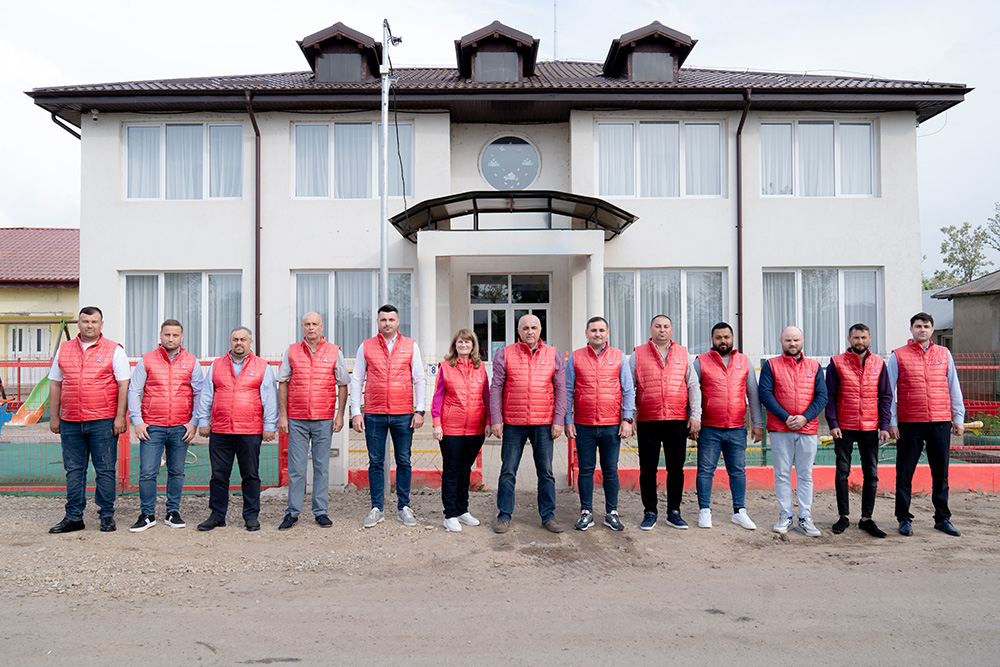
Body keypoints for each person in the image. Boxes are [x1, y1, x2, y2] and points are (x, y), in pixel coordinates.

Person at [47, 306, 130, 534]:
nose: (89, 325)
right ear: (79, 324)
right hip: (70, 421)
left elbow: (123, 385)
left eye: (94, 321)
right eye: (85, 321)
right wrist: (54, 417)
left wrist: (120, 417)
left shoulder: (114, 350)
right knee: (74, 470)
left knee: (105, 470)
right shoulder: (64, 349)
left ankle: (106, 515)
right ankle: (74, 517)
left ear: (101, 324)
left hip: (103, 421)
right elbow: (55, 383)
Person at [888, 312, 965, 537]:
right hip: (909, 422)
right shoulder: (898, 355)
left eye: (927, 326)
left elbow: (954, 386)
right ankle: (904, 518)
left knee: (940, 473)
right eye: (918, 326)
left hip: (940, 422)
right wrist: (892, 421)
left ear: (932, 330)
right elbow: (889, 391)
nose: (922, 329)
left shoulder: (944, 353)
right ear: (911, 329)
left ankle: (942, 518)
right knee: (904, 473)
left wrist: (958, 418)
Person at [350, 304, 427, 528]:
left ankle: (404, 507)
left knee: (404, 460)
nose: (387, 323)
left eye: (391, 320)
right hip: (374, 414)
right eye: (383, 320)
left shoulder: (410, 345)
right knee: (375, 462)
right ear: (378, 322)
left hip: (403, 414)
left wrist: (420, 410)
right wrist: (356, 412)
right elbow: (357, 379)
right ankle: (377, 508)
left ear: (398, 322)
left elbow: (419, 378)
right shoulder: (366, 346)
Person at [195, 327, 277, 532]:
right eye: (235, 339)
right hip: (220, 430)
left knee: (250, 475)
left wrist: (269, 426)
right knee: (218, 475)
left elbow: (269, 399)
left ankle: (251, 516)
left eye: (243, 339)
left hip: (249, 431)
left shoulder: (262, 367)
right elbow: (206, 395)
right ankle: (217, 515)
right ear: (230, 342)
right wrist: (203, 421)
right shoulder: (216, 365)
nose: (239, 343)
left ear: (250, 342)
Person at [490, 314, 566, 534]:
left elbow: (561, 389)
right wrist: (496, 419)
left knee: (546, 472)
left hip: (543, 423)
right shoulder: (504, 354)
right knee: (508, 471)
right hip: (513, 423)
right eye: (525, 328)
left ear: (540, 330)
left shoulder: (553, 354)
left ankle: (548, 516)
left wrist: (558, 420)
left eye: (534, 327)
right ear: (518, 331)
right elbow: (496, 388)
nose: (529, 331)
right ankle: (504, 516)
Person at [127, 319, 204, 532]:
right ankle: (147, 514)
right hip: (152, 427)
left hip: (181, 427)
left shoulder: (191, 361)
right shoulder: (147, 360)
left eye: (175, 335)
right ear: (160, 335)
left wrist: (194, 422)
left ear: (181, 337)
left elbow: (199, 392)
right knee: (147, 472)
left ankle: (173, 512)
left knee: (176, 471)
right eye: (167, 334)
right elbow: (134, 390)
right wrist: (138, 421)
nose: (171, 338)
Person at [277, 312, 349, 530]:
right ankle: (292, 512)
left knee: (321, 467)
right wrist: (283, 415)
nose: (311, 328)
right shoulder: (292, 351)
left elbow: (343, 384)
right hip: (297, 419)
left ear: (321, 326)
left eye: (314, 324)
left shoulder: (334, 351)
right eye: (307, 324)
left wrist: (339, 414)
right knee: (297, 469)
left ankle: (320, 511)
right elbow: (283, 382)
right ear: (302, 327)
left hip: (324, 418)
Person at [629, 315, 701, 531]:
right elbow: (628, 387)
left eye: (666, 326)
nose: (662, 330)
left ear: (671, 329)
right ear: (650, 329)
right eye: (658, 326)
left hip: (677, 420)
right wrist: (629, 417)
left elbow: (693, 386)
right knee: (647, 469)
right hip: (648, 420)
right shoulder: (638, 354)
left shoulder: (683, 354)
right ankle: (650, 511)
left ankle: (674, 512)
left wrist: (695, 415)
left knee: (676, 469)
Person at [565, 317, 635, 531]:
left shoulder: (619, 356)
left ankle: (612, 513)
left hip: (611, 425)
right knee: (585, 470)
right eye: (593, 330)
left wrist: (627, 419)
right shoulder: (576, 357)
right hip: (583, 424)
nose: (597, 334)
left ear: (607, 333)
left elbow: (628, 390)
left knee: (610, 470)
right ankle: (586, 512)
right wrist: (568, 419)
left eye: (601, 330)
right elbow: (568, 391)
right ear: (586, 333)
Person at [693, 322, 763, 530]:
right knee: (706, 470)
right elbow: (692, 393)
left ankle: (739, 511)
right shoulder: (701, 362)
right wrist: (693, 419)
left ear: (732, 339)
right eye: (718, 337)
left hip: (737, 428)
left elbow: (753, 394)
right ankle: (705, 510)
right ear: (712, 339)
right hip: (709, 428)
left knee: (738, 471)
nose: (722, 341)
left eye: (726, 337)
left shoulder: (744, 361)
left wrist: (758, 424)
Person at [758, 326, 827, 537]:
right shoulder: (771, 365)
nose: (792, 343)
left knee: (805, 475)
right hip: (780, 429)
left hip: (808, 429)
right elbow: (765, 394)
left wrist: (805, 417)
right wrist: (785, 417)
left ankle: (805, 517)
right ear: (781, 341)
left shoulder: (814, 366)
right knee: (782, 474)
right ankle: (785, 516)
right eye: (788, 340)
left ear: (802, 341)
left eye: (796, 340)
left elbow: (822, 396)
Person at [825, 323, 891, 538]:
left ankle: (866, 519)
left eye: (863, 338)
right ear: (849, 339)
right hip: (844, 426)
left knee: (871, 473)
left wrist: (884, 425)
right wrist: (833, 422)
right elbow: (830, 396)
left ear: (869, 339)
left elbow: (886, 396)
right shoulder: (837, 362)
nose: (859, 341)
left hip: (870, 427)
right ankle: (843, 516)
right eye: (856, 338)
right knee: (842, 471)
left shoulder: (879, 363)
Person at [431, 329, 491, 532]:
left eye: (467, 342)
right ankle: (449, 514)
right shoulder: (445, 367)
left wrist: (489, 421)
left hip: (475, 429)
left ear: (473, 345)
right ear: (454, 345)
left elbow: (486, 396)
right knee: (452, 470)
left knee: (465, 470)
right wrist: (437, 423)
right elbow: (438, 397)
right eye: (460, 342)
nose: (463, 345)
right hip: (451, 429)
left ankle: (462, 510)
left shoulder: (481, 368)